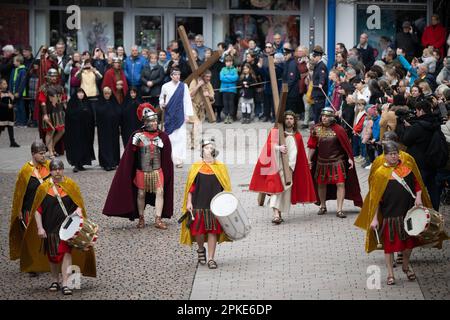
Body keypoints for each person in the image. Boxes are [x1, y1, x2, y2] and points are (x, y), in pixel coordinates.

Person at [354, 141, 448, 285]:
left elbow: (417, 185)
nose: (394, 156)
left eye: (396, 154)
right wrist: (374, 219)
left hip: (407, 215)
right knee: (389, 248)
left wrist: (418, 198)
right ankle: (391, 274)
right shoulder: (379, 173)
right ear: (384, 156)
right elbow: (375, 200)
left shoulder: (407, 169)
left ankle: (405, 266)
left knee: (408, 245)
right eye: (391, 154)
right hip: (389, 216)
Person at [20, 159, 96, 295]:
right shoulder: (43, 188)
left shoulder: (70, 185)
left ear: (63, 170)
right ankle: (55, 280)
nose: (57, 172)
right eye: (54, 169)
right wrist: (40, 228)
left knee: (66, 253)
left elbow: (78, 204)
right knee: (52, 255)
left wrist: (78, 212)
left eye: (60, 169)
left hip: (67, 229)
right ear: (50, 171)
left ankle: (66, 283)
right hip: (50, 227)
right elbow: (38, 209)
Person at [103, 103, 174, 229]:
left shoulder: (162, 136)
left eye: (155, 121)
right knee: (141, 193)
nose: (154, 124)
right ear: (145, 122)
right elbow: (129, 157)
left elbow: (166, 157)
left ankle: (158, 219)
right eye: (151, 122)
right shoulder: (137, 136)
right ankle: (141, 217)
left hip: (158, 171)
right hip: (142, 171)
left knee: (160, 192)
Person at [250, 111, 317, 223]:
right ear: (283, 120)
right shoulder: (276, 132)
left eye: (291, 118)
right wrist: (278, 147)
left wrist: (291, 168)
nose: (289, 120)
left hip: (290, 168)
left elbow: (298, 155)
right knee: (276, 189)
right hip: (276, 165)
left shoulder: (298, 136)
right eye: (287, 118)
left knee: (284, 190)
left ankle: (278, 213)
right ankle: (276, 214)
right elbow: (269, 145)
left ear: (294, 121)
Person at [179, 138, 231, 269]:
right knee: (199, 232)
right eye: (207, 147)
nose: (210, 149)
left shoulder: (221, 167)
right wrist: (189, 202)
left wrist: (226, 204)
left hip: (214, 206)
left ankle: (211, 259)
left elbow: (225, 188)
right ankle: (201, 249)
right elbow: (191, 188)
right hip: (198, 204)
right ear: (202, 150)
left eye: (211, 147)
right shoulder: (196, 167)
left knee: (213, 231)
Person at [307, 107, 363, 218]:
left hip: (337, 161)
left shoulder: (339, 130)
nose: (324, 118)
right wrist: (308, 159)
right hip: (322, 162)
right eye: (323, 115)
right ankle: (322, 206)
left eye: (327, 116)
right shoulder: (316, 129)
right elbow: (312, 145)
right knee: (321, 184)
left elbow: (346, 146)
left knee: (340, 184)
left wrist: (350, 158)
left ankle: (339, 209)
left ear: (332, 118)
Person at [9, 141, 50, 264]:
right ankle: (32, 264)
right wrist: (19, 210)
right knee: (31, 237)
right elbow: (19, 193)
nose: (44, 156)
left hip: (47, 208)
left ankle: (46, 261)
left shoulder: (49, 166)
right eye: (41, 154)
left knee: (47, 234)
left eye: (45, 153)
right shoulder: (25, 171)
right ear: (33, 153)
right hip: (29, 209)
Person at [402, 100, 442, 210]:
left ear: (421, 111)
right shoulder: (435, 123)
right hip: (432, 161)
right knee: (433, 189)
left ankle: (416, 212)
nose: (416, 113)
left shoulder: (418, 126)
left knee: (416, 189)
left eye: (417, 111)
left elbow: (406, 140)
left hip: (419, 164)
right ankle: (435, 211)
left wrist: (408, 128)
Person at [160, 68, 194, 168]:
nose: (177, 76)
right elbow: (161, 98)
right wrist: (163, 104)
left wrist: (187, 115)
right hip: (169, 114)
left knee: (180, 137)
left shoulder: (183, 86)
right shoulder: (165, 86)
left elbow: (187, 100)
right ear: (171, 76)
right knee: (170, 137)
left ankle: (179, 159)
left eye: (179, 74)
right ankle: (170, 157)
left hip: (180, 114)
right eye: (175, 74)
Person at [64, 88, 95, 172]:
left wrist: (86, 113)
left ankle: (81, 163)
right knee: (76, 147)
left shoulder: (87, 102)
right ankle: (76, 164)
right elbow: (69, 115)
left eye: (82, 93)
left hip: (85, 130)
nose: (81, 95)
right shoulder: (72, 103)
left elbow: (91, 115)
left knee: (84, 146)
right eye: (79, 93)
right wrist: (80, 112)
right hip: (75, 130)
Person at [40, 77, 66, 159]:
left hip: (59, 113)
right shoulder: (44, 88)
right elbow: (43, 102)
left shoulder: (60, 87)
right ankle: (50, 151)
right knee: (49, 132)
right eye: (52, 76)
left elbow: (64, 100)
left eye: (55, 76)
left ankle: (52, 146)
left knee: (62, 131)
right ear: (48, 77)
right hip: (49, 113)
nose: (54, 78)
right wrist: (45, 115)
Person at [189, 71, 214, 149]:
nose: (208, 78)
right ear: (203, 76)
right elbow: (190, 94)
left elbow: (213, 97)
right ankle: (196, 144)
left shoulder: (208, 84)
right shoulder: (194, 81)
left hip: (201, 108)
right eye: (207, 77)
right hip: (192, 105)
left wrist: (209, 95)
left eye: (209, 77)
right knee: (196, 123)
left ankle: (192, 143)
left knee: (196, 125)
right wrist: (198, 85)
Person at [311, 46, 328, 124]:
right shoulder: (317, 65)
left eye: (314, 56)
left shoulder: (321, 66)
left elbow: (322, 77)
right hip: (316, 93)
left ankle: (318, 129)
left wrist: (321, 83)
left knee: (318, 114)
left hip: (319, 93)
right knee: (315, 113)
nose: (313, 58)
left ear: (319, 56)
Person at [0, 78, 20, 147]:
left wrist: (14, 97)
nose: (6, 85)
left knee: (10, 128)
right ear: (0, 85)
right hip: (2, 114)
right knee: (0, 128)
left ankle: (12, 142)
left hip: (9, 114)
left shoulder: (9, 92)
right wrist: (7, 105)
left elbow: (13, 101)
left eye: (6, 83)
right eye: (4, 84)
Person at [220, 56, 239, 124]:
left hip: (232, 89)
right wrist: (230, 78)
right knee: (225, 103)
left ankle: (230, 116)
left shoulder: (234, 70)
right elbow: (221, 78)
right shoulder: (223, 69)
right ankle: (226, 116)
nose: (228, 63)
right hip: (224, 89)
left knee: (231, 103)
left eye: (230, 61)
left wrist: (227, 76)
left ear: (232, 62)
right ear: (225, 62)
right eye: (227, 61)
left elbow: (235, 78)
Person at [9, 55, 27, 126]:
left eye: (14, 61)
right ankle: (18, 120)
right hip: (13, 92)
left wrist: (18, 93)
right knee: (16, 107)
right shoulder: (14, 70)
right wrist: (10, 91)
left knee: (21, 107)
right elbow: (10, 81)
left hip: (20, 93)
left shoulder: (23, 71)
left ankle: (22, 122)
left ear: (19, 62)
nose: (13, 63)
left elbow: (22, 83)